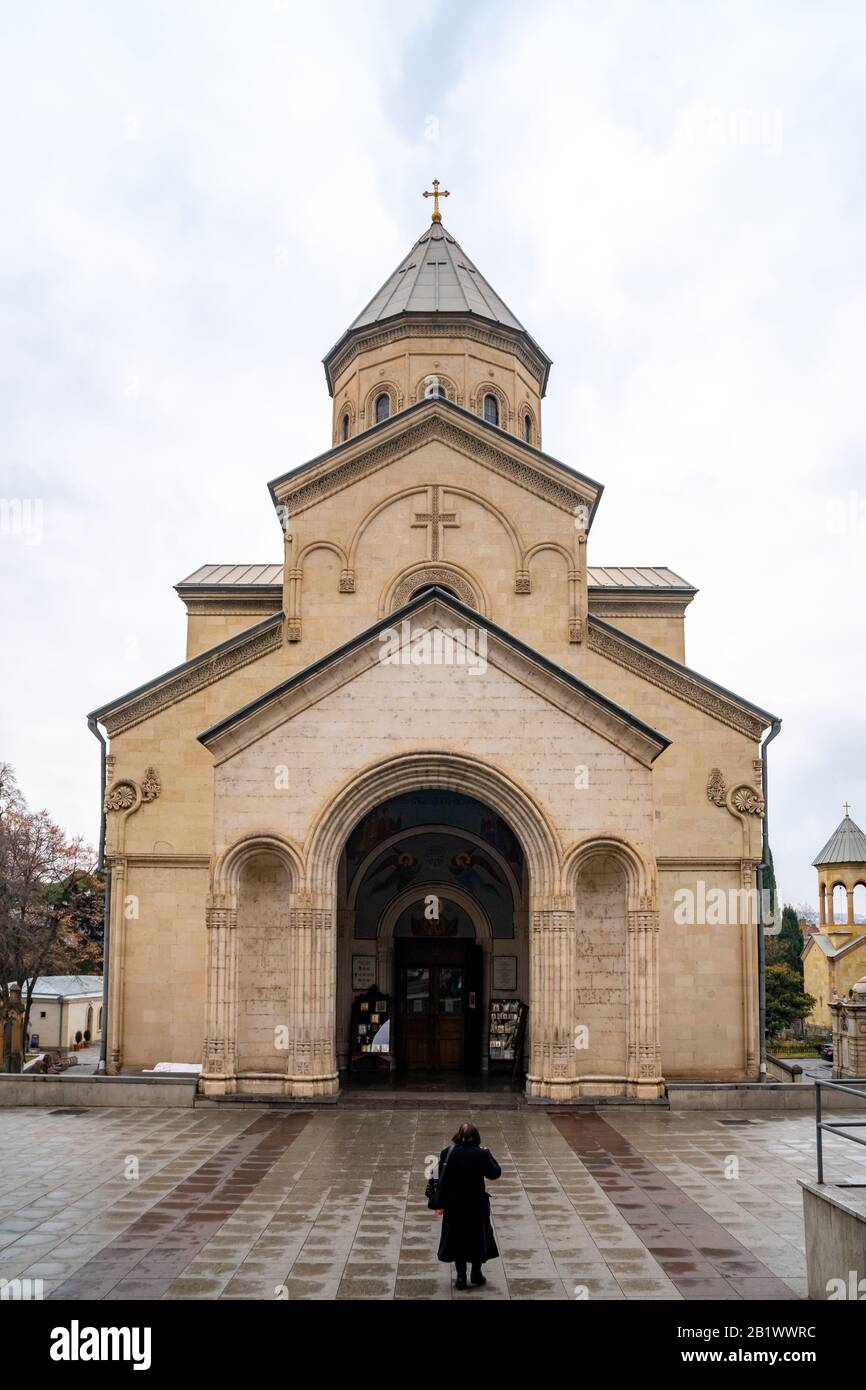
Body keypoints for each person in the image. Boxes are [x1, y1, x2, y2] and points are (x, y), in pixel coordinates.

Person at [436, 1121, 501, 1290]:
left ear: (458, 1136)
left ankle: (460, 1277)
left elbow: (438, 1178)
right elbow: (495, 1173)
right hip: (476, 1205)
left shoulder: (447, 1153)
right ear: (476, 1137)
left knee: (457, 1239)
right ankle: (476, 1273)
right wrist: (489, 1154)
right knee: (478, 1238)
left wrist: (439, 1203)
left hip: (454, 1205)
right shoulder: (481, 1154)